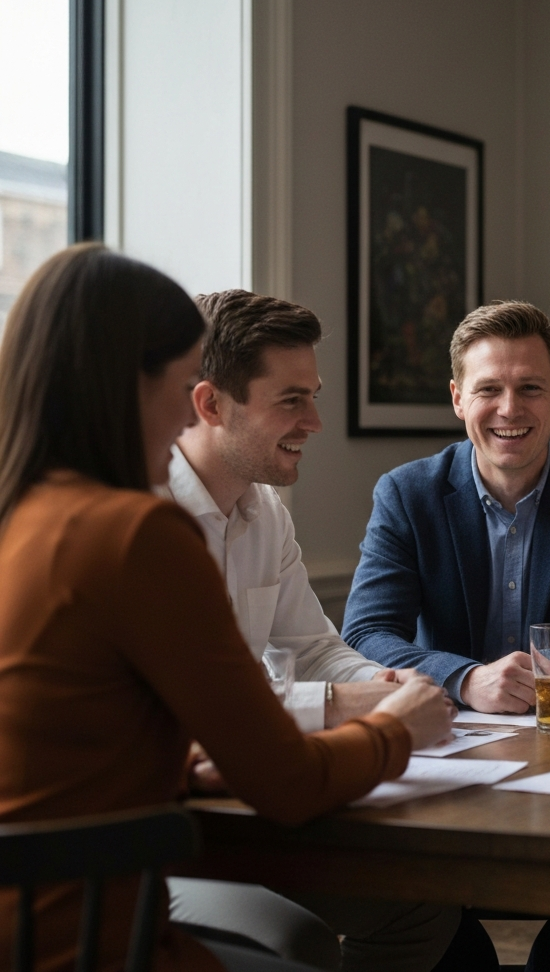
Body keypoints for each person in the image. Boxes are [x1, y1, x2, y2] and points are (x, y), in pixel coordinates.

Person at [0, 244, 456, 972]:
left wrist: (179, 767)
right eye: (181, 384)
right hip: (81, 934)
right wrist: (392, 729)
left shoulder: (27, 516)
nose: (186, 413)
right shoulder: (138, 531)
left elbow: (70, 733)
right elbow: (287, 785)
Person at [159, 289, 466, 970]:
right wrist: (341, 706)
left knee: (422, 906)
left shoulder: (265, 511)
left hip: (240, 807)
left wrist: (385, 683)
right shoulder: (142, 521)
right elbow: (187, 711)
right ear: (210, 404)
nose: (317, 421)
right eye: (291, 400)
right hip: (153, 834)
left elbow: (311, 647)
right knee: (293, 939)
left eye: (315, 395)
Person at [342, 299, 550, 714]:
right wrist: (466, 679)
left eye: (530, 388)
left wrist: (540, 682)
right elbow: (367, 633)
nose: (509, 408)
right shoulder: (407, 494)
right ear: (458, 399)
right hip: (450, 730)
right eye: (488, 389)